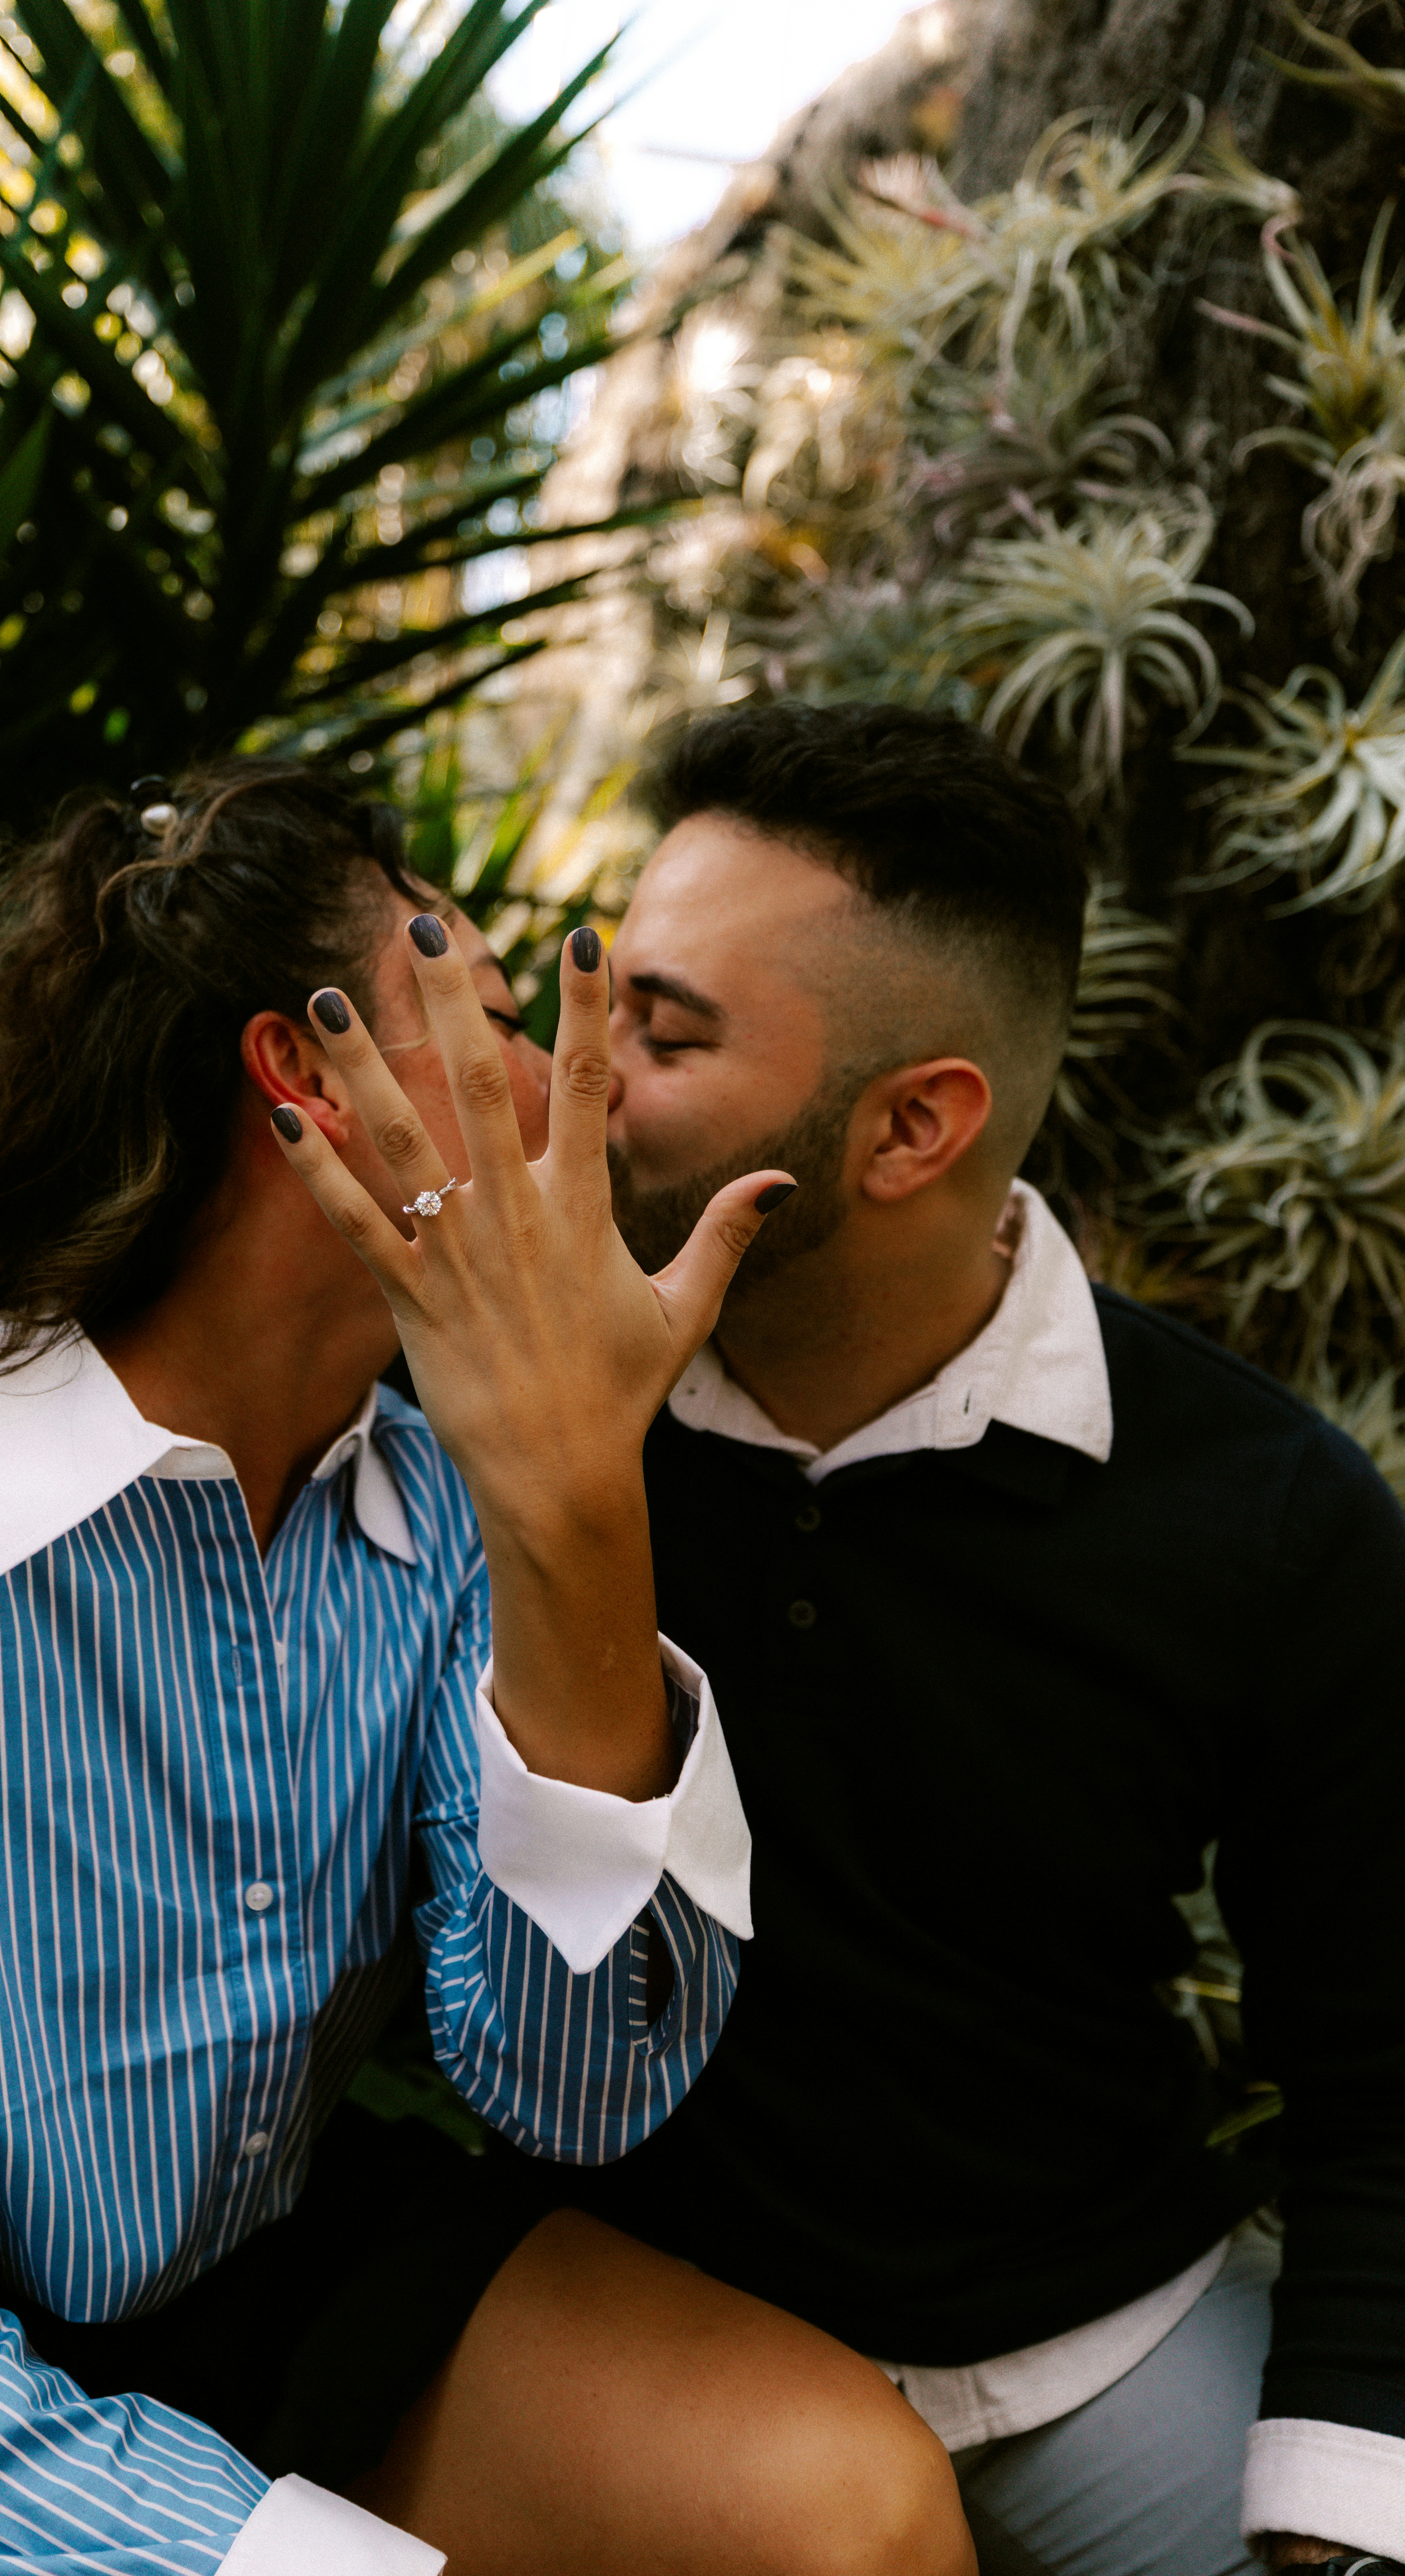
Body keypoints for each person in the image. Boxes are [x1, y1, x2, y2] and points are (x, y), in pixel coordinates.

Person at [0, 759, 974, 2576]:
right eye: (510, 1018)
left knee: (855, 2516)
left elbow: (570, 2087)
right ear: (306, 1069)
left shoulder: (452, 1492)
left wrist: (572, 1509)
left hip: (267, 2266)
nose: (568, 1096)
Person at [569, 700, 1405, 2576]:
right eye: (604, 994)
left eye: (663, 1030)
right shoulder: (516, 1413)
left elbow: (1385, 2083)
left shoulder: (1265, 1517)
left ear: (910, 1126)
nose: (575, 1069)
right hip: (642, 2354)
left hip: (1104, 2349)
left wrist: (1330, 2531)